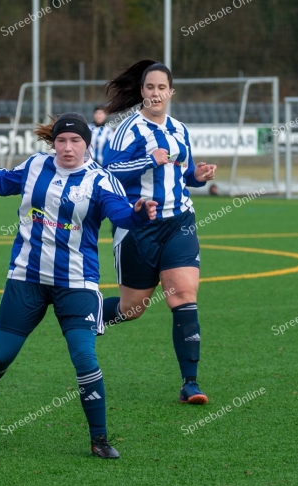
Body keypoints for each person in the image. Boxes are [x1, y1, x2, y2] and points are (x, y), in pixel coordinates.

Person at [0, 112, 158, 459]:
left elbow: (120, 215)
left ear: (86, 145)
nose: (68, 148)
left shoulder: (101, 181)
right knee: (0, 356)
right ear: (52, 142)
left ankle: (99, 439)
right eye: (61, 140)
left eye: (75, 141)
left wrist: (139, 212)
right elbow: (0, 181)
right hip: (27, 277)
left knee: (84, 357)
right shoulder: (35, 166)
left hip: (77, 283)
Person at [101, 60, 217, 405]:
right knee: (132, 309)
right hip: (139, 226)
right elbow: (108, 172)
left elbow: (183, 175)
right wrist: (148, 160)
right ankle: (83, 313)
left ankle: (190, 383)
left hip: (179, 221)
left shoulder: (180, 129)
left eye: (161, 88)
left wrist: (198, 174)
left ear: (171, 92)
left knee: (182, 293)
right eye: (149, 87)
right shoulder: (127, 129)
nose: (155, 93)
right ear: (141, 92)